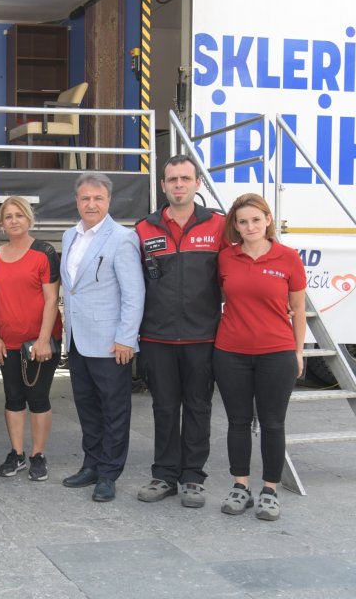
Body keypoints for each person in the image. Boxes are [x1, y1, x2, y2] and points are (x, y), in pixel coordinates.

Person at [134, 154, 227, 508]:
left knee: (199, 406)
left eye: (185, 179)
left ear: (197, 183)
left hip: (203, 337)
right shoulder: (144, 228)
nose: (178, 185)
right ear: (162, 185)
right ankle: (165, 474)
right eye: (172, 179)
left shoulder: (218, 226)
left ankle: (193, 477)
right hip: (157, 336)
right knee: (164, 407)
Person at [214, 193, 305, 521]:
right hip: (230, 353)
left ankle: (269, 490)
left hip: (276, 354)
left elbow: (298, 310)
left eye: (256, 219)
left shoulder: (288, 258)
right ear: (235, 227)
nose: (250, 226)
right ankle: (240, 487)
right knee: (237, 422)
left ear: (268, 220)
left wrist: (297, 352)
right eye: (242, 221)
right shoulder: (226, 258)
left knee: (272, 423)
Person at [60, 172, 144, 502]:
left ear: (108, 201)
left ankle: (109, 473)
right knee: (88, 409)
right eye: (85, 198)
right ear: (77, 201)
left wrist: (126, 338)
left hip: (111, 342)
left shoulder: (122, 238)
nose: (91, 204)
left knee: (114, 411)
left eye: (97, 198)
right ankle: (91, 464)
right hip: (78, 340)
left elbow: (133, 293)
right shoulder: (69, 236)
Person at [0, 196, 62, 482]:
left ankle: (37, 455)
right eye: (8, 216)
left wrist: (43, 340)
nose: (14, 220)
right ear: (1, 224)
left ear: (28, 219)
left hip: (39, 343)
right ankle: (16, 453)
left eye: (19, 215)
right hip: (7, 343)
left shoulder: (44, 252)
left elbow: (52, 298)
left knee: (38, 398)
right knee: (13, 398)